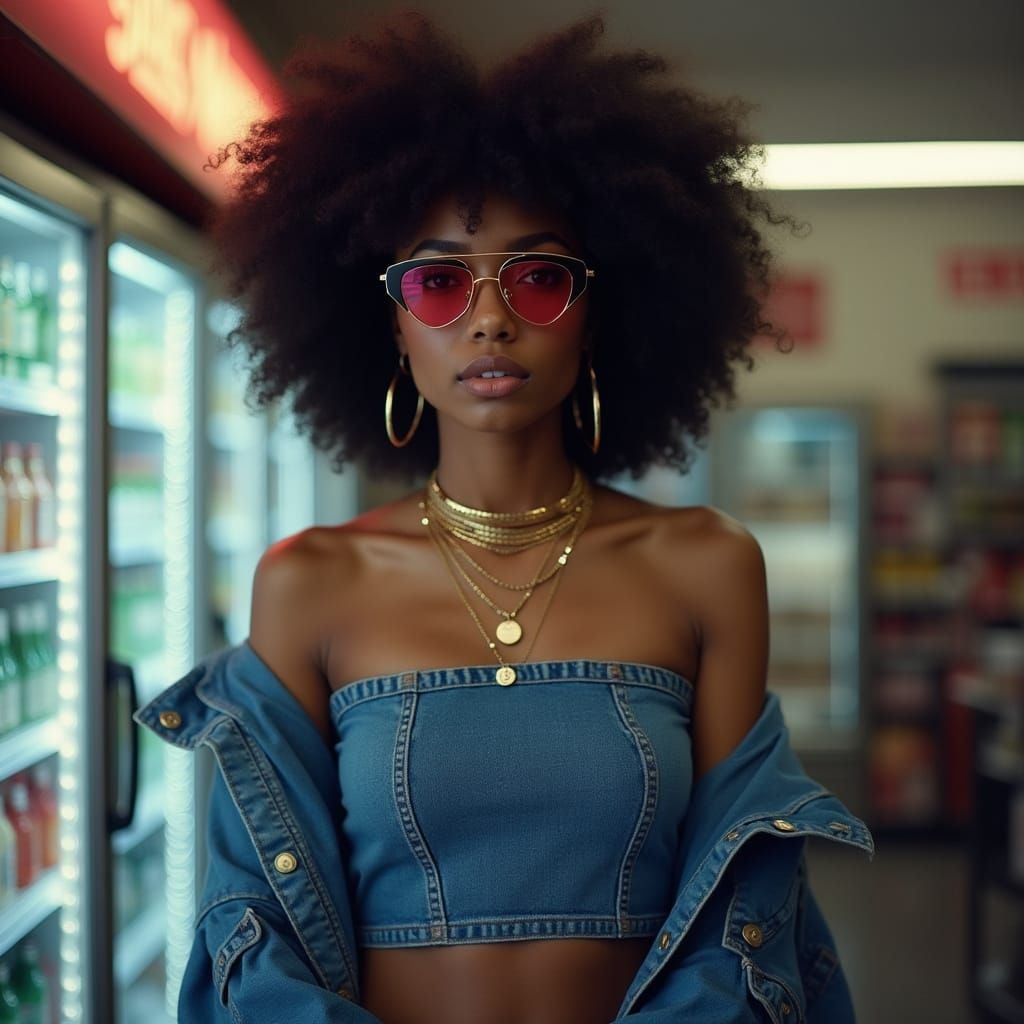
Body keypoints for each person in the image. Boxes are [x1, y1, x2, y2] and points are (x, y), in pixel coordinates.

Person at [137, 12, 873, 1023]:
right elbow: (256, 921)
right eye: (438, 281)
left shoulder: (704, 564)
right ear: (389, 322)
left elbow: (742, 904)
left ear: (598, 309)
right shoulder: (308, 582)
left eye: (537, 276)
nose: (489, 317)